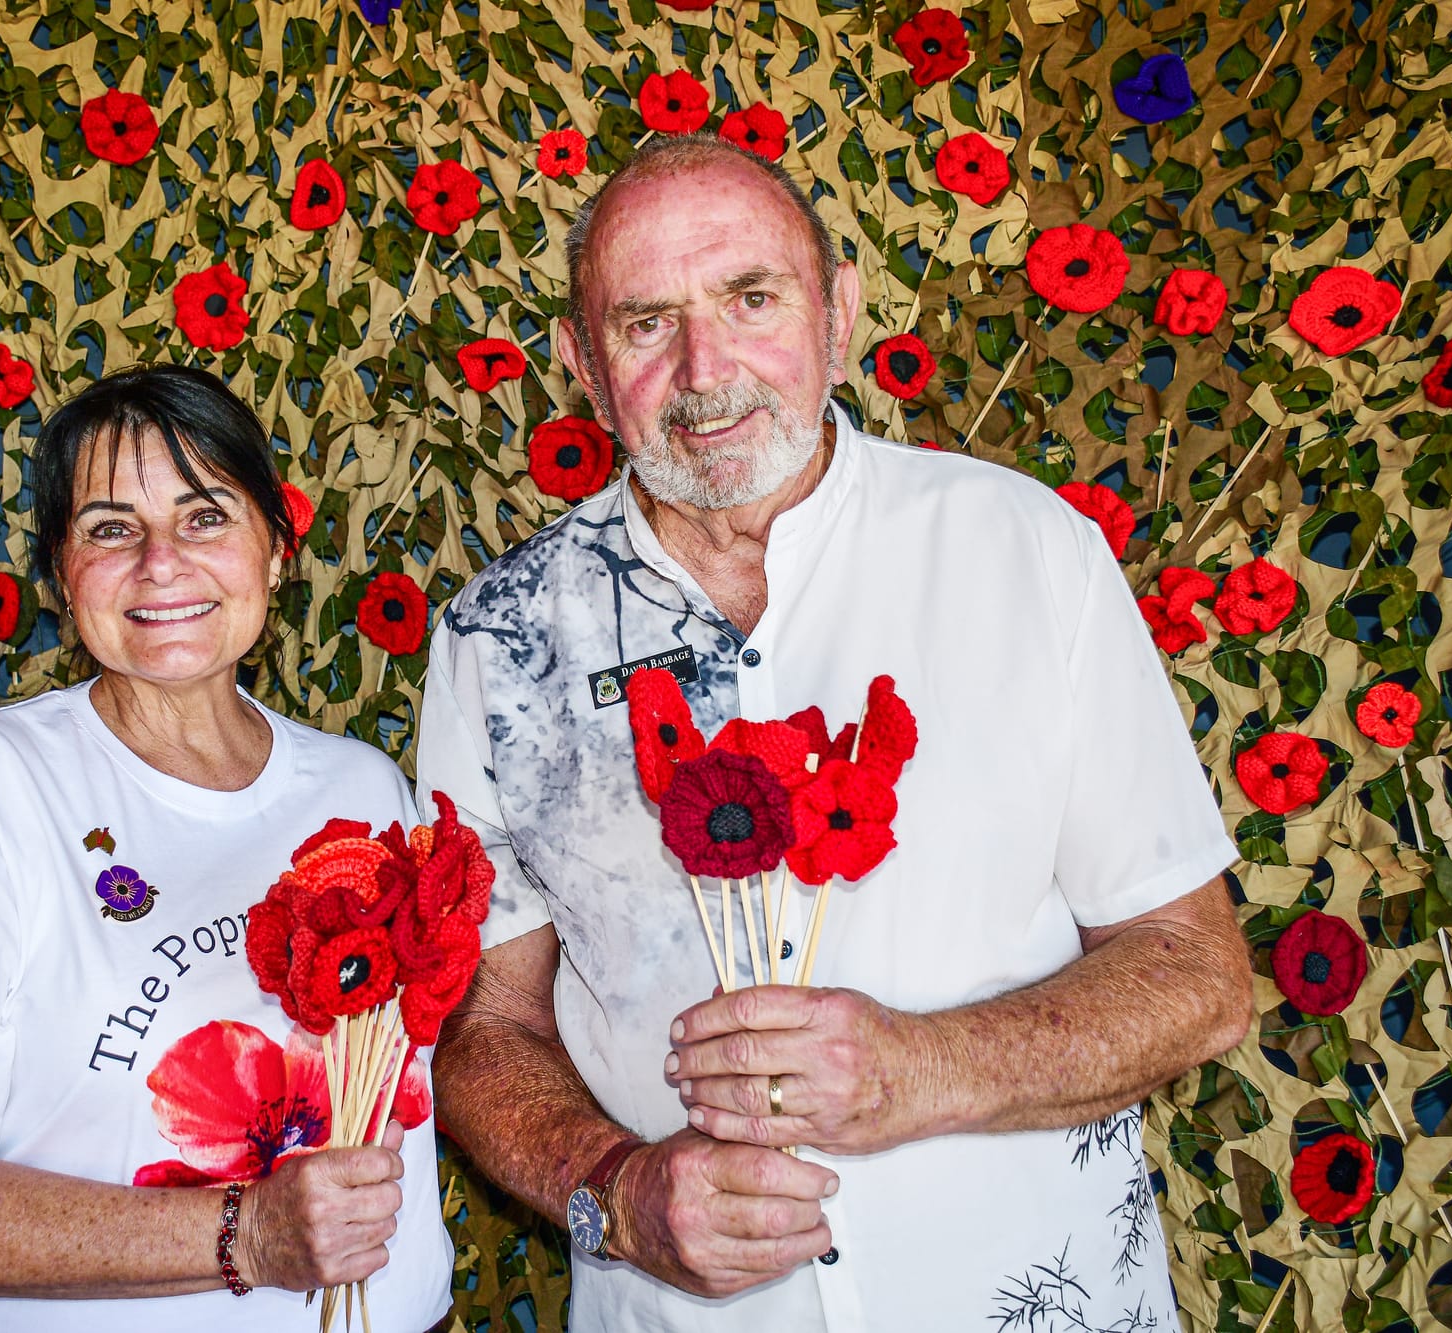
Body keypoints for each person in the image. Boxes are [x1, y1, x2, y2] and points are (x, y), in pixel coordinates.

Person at [417, 133, 1254, 1331]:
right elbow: (481, 1027)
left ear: (839, 311)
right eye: (645, 323)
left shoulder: (1024, 550)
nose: (705, 369)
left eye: (750, 298)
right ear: (582, 368)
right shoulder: (495, 637)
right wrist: (614, 1188)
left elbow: (1195, 974)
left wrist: (921, 1069)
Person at [0, 365, 453, 1333]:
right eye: (110, 528)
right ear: (59, 574)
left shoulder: (361, 791)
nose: (161, 562)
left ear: (276, 550)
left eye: (205, 516)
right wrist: (246, 1233)